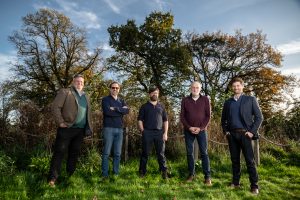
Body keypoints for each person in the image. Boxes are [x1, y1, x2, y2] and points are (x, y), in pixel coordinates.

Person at [48, 74, 92, 187]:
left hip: (80, 130)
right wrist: (60, 122)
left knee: (74, 154)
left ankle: (70, 176)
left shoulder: (86, 96)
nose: (79, 83)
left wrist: (88, 127)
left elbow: (88, 113)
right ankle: (52, 179)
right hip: (66, 128)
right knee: (59, 153)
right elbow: (55, 107)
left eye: (82, 82)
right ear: (73, 82)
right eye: (77, 81)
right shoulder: (65, 92)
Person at [221, 77, 263, 195]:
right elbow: (223, 120)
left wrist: (252, 132)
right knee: (235, 160)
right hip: (232, 135)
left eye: (238, 85)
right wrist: (226, 131)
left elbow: (259, 117)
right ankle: (236, 183)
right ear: (231, 88)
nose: (236, 88)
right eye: (234, 86)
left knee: (250, 161)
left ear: (242, 86)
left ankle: (254, 186)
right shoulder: (228, 102)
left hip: (246, 135)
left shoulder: (250, 99)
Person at [180, 81, 212, 185]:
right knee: (189, 153)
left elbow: (208, 116)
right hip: (189, 130)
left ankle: (207, 177)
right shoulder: (185, 100)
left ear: (200, 89)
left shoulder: (205, 99)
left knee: (204, 153)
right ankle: (191, 174)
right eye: (193, 87)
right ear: (190, 88)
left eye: (197, 87)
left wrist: (201, 128)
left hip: (202, 130)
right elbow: (182, 116)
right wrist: (189, 127)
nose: (195, 89)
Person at [138, 87, 169, 179]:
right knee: (145, 153)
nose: (154, 94)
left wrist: (165, 133)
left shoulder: (161, 106)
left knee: (161, 153)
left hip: (159, 133)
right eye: (152, 93)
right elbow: (139, 120)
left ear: (158, 94)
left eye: (156, 93)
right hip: (147, 132)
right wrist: (143, 130)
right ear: (149, 94)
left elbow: (166, 121)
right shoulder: (144, 106)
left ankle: (164, 172)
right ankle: (142, 172)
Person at [101, 81, 129, 178]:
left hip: (120, 129)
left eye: (117, 88)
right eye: (113, 88)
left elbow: (127, 110)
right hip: (108, 128)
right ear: (110, 89)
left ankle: (116, 173)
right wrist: (121, 110)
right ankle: (105, 174)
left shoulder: (121, 100)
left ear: (119, 89)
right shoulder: (105, 100)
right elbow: (108, 112)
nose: (115, 89)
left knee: (117, 153)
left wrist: (115, 109)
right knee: (106, 153)